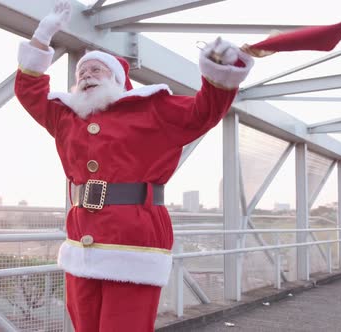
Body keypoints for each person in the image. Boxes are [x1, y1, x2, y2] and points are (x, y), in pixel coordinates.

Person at [14, 1, 253, 331]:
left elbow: (203, 112)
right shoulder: (67, 116)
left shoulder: (152, 108)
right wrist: (43, 36)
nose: (86, 76)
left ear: (117, 79)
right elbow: (29, 90)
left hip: (135, 238)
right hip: (81, 237)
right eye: (82, 72)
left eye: (96, 70)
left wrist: (219, 74)